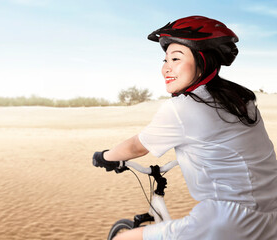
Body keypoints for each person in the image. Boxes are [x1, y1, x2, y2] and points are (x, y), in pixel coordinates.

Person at [92, 16, 277, 240]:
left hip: (227, 222)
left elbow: (136, 147)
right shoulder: (242, 101)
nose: (166, 69)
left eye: (176, 59)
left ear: (203, 61)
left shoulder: (182, 108)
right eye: (165, 60)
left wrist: (105, 156)